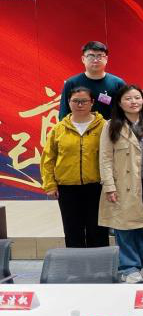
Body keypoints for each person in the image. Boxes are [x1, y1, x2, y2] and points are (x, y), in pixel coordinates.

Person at [99, 85, 143, 282]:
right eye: (128, 99)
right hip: (122, 184)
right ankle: (128, 266)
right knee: (123, 226)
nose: (133, 102)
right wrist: (109, 186)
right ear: (120, 103)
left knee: (141, 224)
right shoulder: (111, 126)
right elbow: (105, 158)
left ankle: (142, 261)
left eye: (137, 98)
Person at [42, 86, 108, 247]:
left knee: (97, 230)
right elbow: (48, 159)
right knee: (72, 230)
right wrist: (50, 184)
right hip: (67, 188)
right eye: (75, 101)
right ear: (68, 102)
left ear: (92, 102)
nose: (80, 104)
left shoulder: (104, 126)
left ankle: (99, 263)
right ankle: (75, 263)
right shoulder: (59, 129)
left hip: (97, 186)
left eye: (84, 101)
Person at [58, 41, 126, 119]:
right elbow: (63, 113)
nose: (95, 60)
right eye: (91, 56)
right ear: (83, 59)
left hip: (110, 126)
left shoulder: (118, 83)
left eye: (99, 56)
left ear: (106, 59)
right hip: (79, 126)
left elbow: (125, 111)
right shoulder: (72, 83)